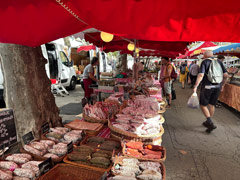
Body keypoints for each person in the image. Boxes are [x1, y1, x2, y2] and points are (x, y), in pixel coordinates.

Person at [193, 51, 228, 133]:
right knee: (212, 104)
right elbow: (226, 75)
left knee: (203, 105)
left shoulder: (205, 62)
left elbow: (201, 75)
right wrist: (222, 85)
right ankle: (209, 121)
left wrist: (195, 86)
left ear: (205, 56)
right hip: (217, 86)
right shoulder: (219, 61)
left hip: (207, 86)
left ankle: (210, 122)